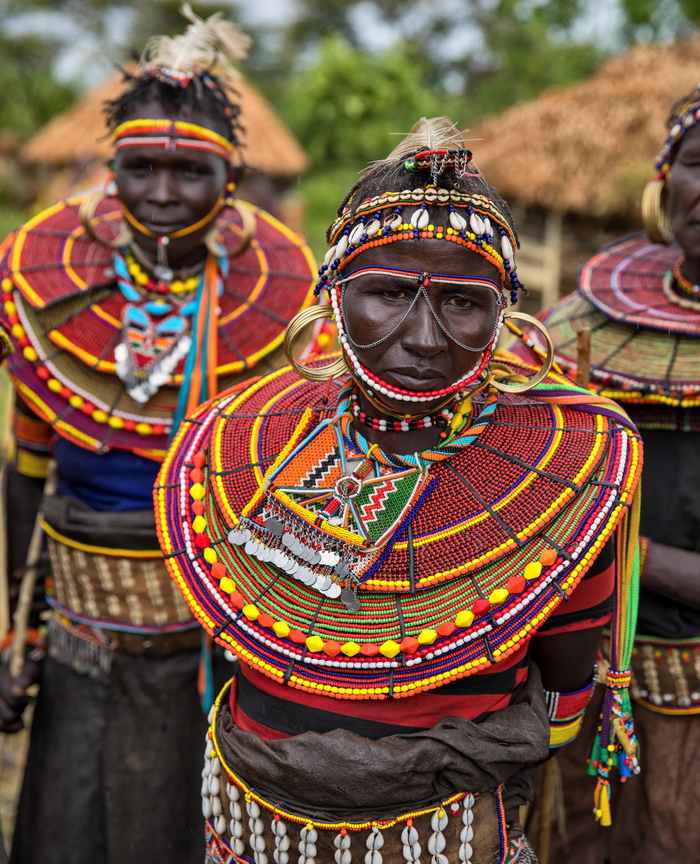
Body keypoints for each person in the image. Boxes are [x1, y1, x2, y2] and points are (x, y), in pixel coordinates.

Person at [154, 119, 643, 864]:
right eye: (387, 292)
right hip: (254, 817)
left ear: (503, 311)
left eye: (461, 302)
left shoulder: (568, 466)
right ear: (334, 295)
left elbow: (566, 695)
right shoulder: (241, 440)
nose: (422, 336)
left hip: (451, 827)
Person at [0, 6, 316, 864]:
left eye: (190, 172)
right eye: (141, 169)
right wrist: (17, 632)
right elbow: (29, 468)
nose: (165, 194)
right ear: (110, 172)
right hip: (81, 624)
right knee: (67, 820)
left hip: (211, 632)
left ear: (235, 176)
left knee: (188, 816)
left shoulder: (284, 302)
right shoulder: (48, 290)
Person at [508, 85, 700, 863]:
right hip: (584, 666)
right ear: (665, 180)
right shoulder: (584, 325)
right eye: (698, 163)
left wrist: (628, 550)